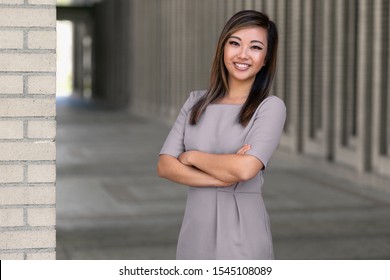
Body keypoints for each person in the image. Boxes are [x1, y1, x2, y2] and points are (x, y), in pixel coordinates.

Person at [157, 10, 286, 260]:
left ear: (266, 58)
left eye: (255, 47)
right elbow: (164, 166)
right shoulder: (195, 102)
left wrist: (190, 156)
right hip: (194, 233)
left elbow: (245, 170)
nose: (242, 54)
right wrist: (221, 177)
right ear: (222, 48)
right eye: (234, 43)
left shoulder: (269, 107)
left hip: (243, 235)